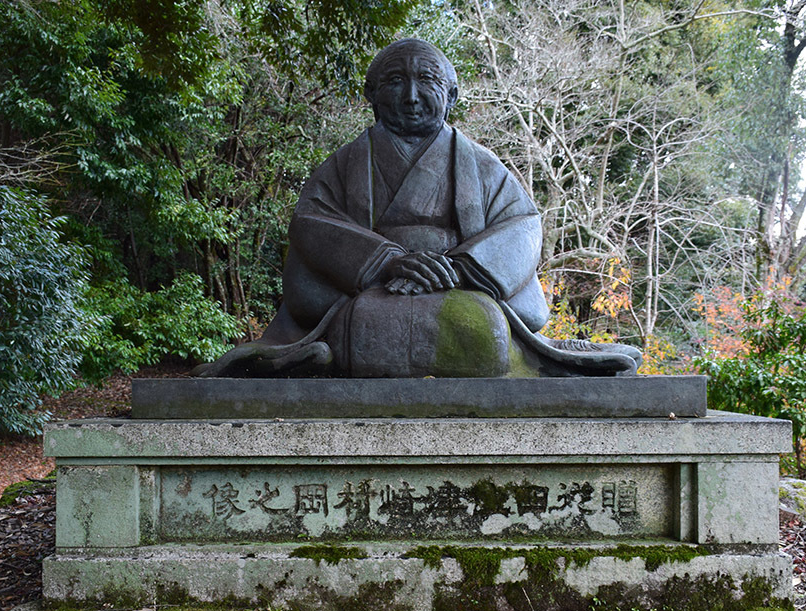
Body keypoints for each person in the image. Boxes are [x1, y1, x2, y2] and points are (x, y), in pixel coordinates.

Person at [194, 38, 641, 378]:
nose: (410, 95)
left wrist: (459, 269)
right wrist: (388, 261)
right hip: (368, 292)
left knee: (479, 326)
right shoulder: (346, 164)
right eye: (394, 81)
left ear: (451, 93)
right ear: (370, 93)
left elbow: (522, 226)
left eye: (426, 81)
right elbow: (310, 223)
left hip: (462, 289)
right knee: (362, 326)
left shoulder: (482, 167)